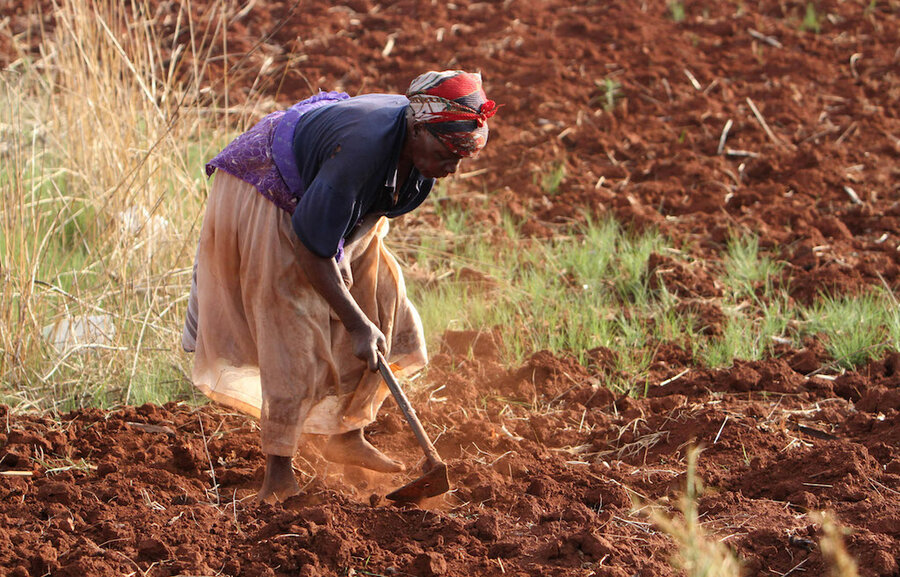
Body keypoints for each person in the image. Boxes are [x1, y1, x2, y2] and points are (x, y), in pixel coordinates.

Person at [181, 70, 497, 502]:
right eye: (448, 152)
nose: (453, 167)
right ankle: (278, 474)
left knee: (382, 300)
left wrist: (357, 302)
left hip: (329, 199)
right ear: (418, 128)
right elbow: (311, 247)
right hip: (271, 186)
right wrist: (354, 323)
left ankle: (346, 434)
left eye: (462, 157)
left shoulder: (421, 161)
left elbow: (353, 220)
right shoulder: (362, 151)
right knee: (293, 321)